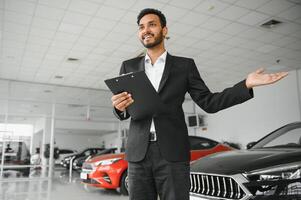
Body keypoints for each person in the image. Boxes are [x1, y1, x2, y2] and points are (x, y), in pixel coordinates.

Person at [111, 8, 288, 200]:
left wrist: (245, 85)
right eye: (141, 27)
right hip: (138, 154)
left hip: (172, 153)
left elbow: (209, 102)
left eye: (152, 24)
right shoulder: (128, 66)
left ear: (164, 30)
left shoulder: (184, 66)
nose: (146, 30)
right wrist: (118, 107)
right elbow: (125, 109)